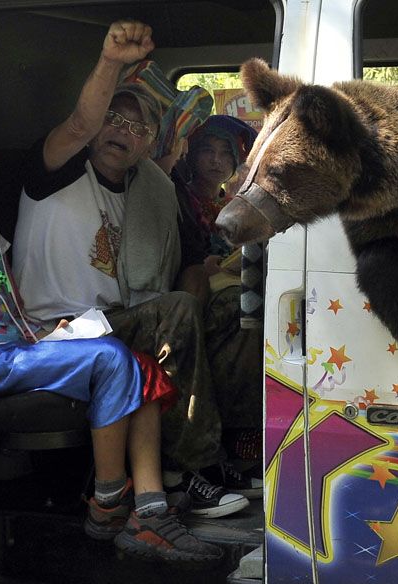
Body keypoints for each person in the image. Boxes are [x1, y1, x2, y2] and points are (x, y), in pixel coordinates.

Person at [0, 113, 221, 564]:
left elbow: (13, 316)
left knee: (140, 364)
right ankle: (108, 502)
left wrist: (52, 336)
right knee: (109, 358)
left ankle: (150, 509)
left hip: (15, 351)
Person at [13, 20, 250, 518]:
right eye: (114, 120)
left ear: (148, 146)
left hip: (111, 321)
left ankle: (198, 462)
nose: (123, 131)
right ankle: (197, 471)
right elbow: (79, 123)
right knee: (179, 311)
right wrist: (111, 62)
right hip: (53, 331)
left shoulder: (151, 192)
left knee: (217, 312)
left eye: (138, 127)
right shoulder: (57, 171)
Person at [167, 115, 264, 496]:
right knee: (246, 312)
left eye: (226, 153)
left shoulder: (228, 204)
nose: (216, 160)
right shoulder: (180, 197)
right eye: (208, 149)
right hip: (195, 295)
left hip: (221, 284)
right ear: (191, 154)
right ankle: (238, 443)